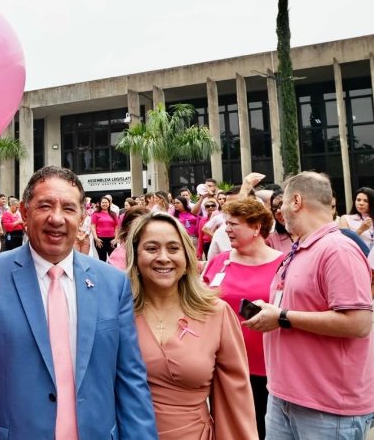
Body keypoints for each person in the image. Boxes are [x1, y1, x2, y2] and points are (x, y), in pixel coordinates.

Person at [0, 164, 157, 439]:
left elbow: (131, 381)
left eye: (68, 208)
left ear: (81, 217)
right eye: (45, 206)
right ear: (24, 212)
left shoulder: (113, 284)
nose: (57, 218)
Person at [244, 172, 374, 439]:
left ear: (296, 201)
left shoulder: (338, 249)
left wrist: (281, 317)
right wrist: (272, 311)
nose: (278, 212)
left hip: (326, 408)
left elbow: (359, 322)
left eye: (280, 206)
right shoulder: (301, 247)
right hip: (284, 397)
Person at [128, 211, 258, 439]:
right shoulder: (118, 314)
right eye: (151, 248)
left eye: (173, 248)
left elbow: (235, 399)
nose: (163, 257)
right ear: (135, 257)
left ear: (187, 257)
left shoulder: (216, 314)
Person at [202, 198, 283, 438]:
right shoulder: (219, 261)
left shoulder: (283, 263)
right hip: (222, 365)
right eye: (226, 223)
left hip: (266, 367)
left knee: (260, 429)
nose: (226, 229)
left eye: (233, 224)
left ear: (256, 227)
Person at [91, 196, 119, 261]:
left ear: (109, 204)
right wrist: (96, 238)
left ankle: (112, 271)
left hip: (112, 240)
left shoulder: (113, 214)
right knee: (102, 259)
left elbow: (116, 227)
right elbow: (93, 226)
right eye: (103, 202)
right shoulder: (96, 214)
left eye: (106, 202)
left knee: (113, 259)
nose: (104, 204)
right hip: (100, 240)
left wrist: (116, 238)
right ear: (100, 204)